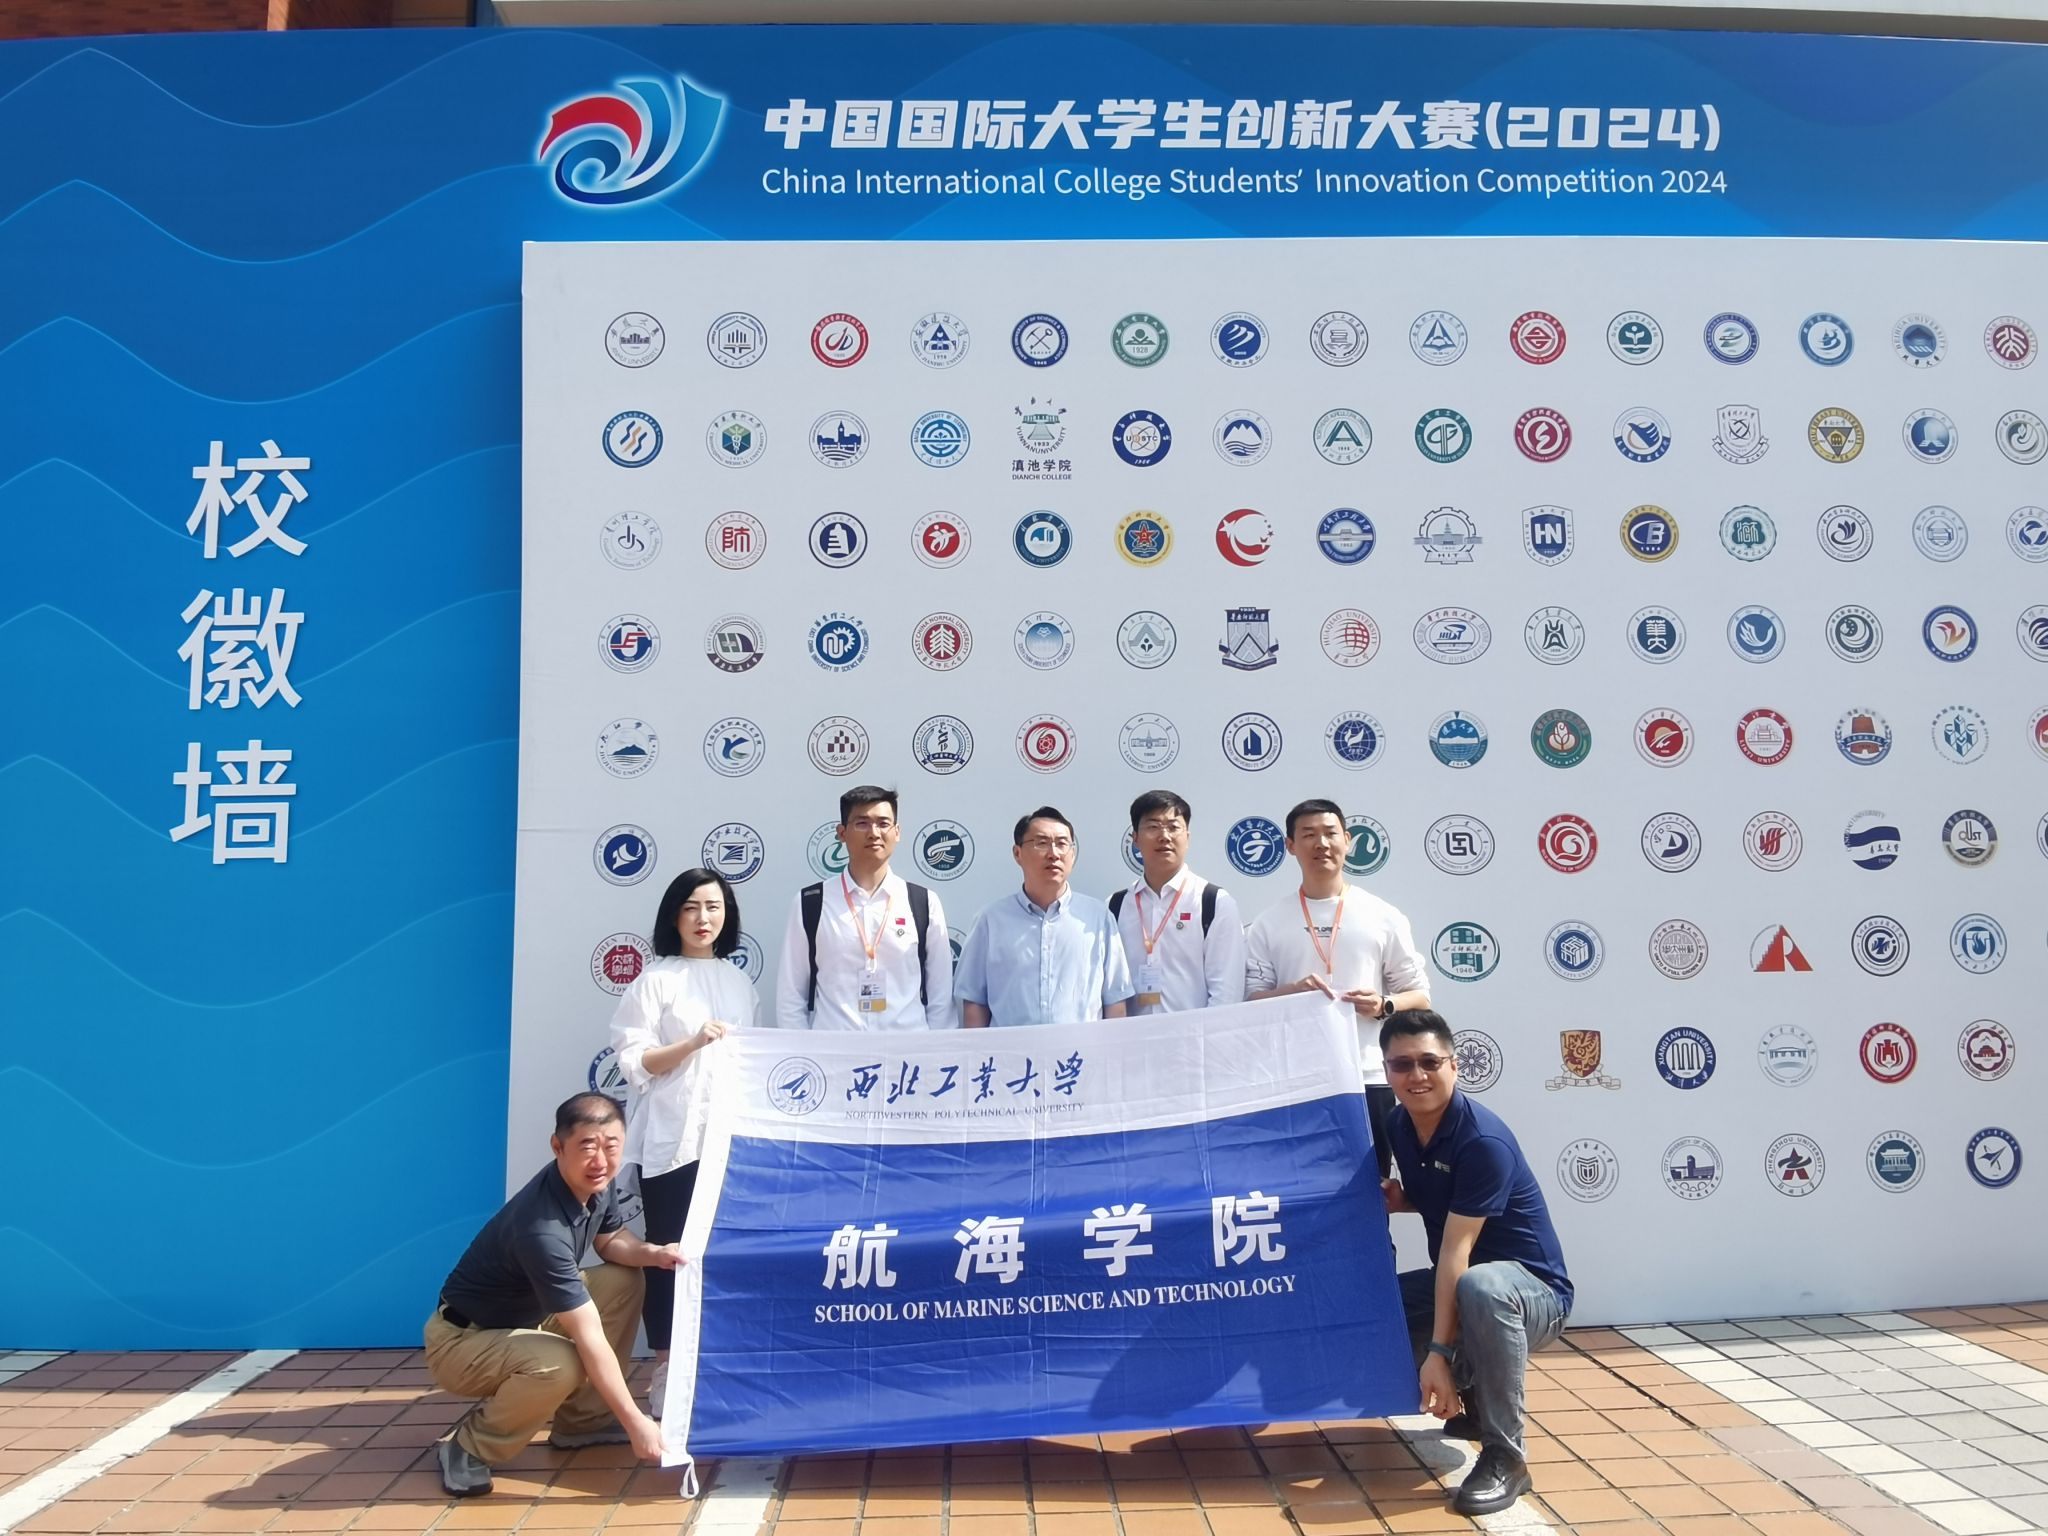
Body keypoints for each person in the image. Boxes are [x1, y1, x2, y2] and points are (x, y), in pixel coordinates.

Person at [424, 1092, 675, 1496]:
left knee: (624, 1280)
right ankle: (469, 1448)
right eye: (587, 1146)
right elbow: (589, 1336)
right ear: (557, 1146)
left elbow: (611, 1241)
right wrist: (636, 1422)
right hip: (461, 1341)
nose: (600, 1159)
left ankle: (584, 1422)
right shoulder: (541, 1230)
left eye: (611, 1145)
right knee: (562, 1363)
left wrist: (655, 1254)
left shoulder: (597, 1181)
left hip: (525, 1318)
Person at [1380, 1009, 1572, 1517]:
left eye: (1429, 1062)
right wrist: (1403, 1200)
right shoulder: (1399, 1124)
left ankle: (1507, 1456)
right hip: (1468, 1280)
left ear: (1454, 1065)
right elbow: (1451, 1202)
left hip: (1531, 1293)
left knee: (1478, 1287)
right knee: (1376, 1304)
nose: (1417, 1076)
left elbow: (1456, 1251)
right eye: (1402, 1064)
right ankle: (1471, 1397)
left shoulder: (1482, 1141)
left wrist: (1438, 1354)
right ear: (1386, 1072)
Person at [608, 867, 758, 1418]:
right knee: (669, 1253)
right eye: (692, 907)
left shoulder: (739, 982)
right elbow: (635, 1061)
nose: (703, 918)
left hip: (730, 1140)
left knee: (724, 1252)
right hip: (673, 1139)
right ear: (674, 915)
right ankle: (668, 1369)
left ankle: (720, 1363)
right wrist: (692, 1043)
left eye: (714, 907)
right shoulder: (656, 979)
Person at [1244, 799, 1430, 1175]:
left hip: (1367, 1077)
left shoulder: (1382, 915)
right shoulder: (1268, 922)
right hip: (1295, 1081)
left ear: (1348, 840)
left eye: (1330, 833)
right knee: (1297, 1188)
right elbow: (1251, 1002)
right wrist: (1292, 994)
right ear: (1290, 845)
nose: (1321, 844)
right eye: (1308, 835)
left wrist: (1383, 1005)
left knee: (1372, 1186)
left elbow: (1420, 996)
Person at [775, 785, 954, 1031]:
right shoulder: (811, 902)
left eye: (883, 823)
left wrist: (936, 1050)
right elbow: (791, 995)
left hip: (907, 1048)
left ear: (897, 832)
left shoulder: (923, 901)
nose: (874, 833)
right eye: (862, 823)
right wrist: (803, 1050)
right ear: (841, 833)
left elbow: (941, 996)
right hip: (835, 1048)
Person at [958, 806, 1134, 1027]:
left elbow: (1115, 1000)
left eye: (1062, 844)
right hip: (1011, 1049)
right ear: (1017, 853)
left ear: (1073, 854)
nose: (1054, 854)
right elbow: (975, 1001)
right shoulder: (990, 920)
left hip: (1082, 1049)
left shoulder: (1097, 918)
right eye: (1041, 843)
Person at [1110, 790, 1246, 1014]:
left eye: (1173, 827)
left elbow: (1227, 994)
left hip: (1193, 1035)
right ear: (1135, 838)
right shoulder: (1115, 906)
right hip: (1133, 1035)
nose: (1164, 836)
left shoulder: (1214, 903)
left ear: (1187, 837)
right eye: (1153, 827)